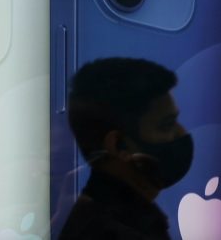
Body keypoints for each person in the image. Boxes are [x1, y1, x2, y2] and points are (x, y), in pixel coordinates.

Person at [59, 58, 193, 240]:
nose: (182, 133)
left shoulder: (130, 217)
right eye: (166, 125)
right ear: (118, 145)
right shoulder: (113, 231)